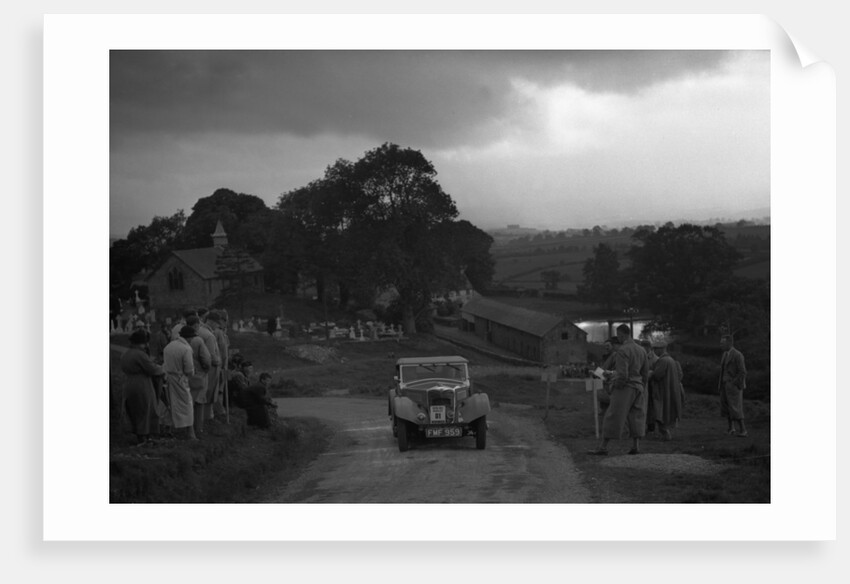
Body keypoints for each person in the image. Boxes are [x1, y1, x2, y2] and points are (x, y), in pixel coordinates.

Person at [588, 324, 648, 456]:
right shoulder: (641, 350)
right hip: (638, 387)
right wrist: (642, 386)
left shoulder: (623, 350)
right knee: (636, 416)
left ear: (621, 334)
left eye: (618, 335)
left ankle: (603, 447)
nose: (618, 338)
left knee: (613, 415)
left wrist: (614, 387)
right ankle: (636, 446)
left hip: (625, 387)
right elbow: (645, 373)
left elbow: (622, 375)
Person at [119, 329, 164, 445]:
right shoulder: (140, 354)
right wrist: (162, 369)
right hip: (141, 383)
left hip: (128, 382)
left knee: (134, 409)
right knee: (145, 408)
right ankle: (144, 436)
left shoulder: (126, 353)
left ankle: (138, 434)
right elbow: (152, 369)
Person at [162, 325, 197, 440]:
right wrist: (189, 375)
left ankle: (167, 429)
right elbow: (189, 369)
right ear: (189, 337)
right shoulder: (186, 349)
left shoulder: (169, 346)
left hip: (168, 377)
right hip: (180, 378)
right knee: (186, 404)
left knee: (169, 403)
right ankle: (190, 432)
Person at [647, 340, 683, 440]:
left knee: (660, 412)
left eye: (656, 349)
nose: (654, 351)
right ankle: (665, 433)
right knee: (665, 412)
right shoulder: (670, 359)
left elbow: (658, 375)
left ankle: (665, 434)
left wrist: (651, 373)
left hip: (662, 390)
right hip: (669, 389)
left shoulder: (663, 360)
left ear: (661, 349)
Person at [186, 315, 212, 436]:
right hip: (199, 373)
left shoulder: (179, 339)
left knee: (189, 401)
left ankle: (187, 428)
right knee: (199, 401)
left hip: (186, 374)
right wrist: (206, 369)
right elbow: (206, 359)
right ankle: (198, 428)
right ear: (196, 325)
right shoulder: (198, 340)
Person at [195, 309, 222, 426]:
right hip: (210, 368)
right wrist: (218, 361)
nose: (217, 326)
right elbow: (212, 355)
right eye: (217, 323)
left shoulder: (199, 330)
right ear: (211, 321)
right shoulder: (209, 335)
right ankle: (207, 418)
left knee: (202, 394)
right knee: (209, 393)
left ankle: (203, 419)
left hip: (199, 367)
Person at [718, 333, 748, 437]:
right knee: (726, 408)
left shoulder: (738, 355)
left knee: (736, 408)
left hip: (733, 387)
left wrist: (734, 383)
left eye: (722, 343)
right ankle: (731, 428)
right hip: (724, 385)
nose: (720, 345)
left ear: (729, 343)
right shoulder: (725, 354)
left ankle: (743, 430)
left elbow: (742, 372)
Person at [640, 338, 659, 433]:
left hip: (652, 385)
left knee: (651, 406)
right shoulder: (641, 356)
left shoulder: (655, 359)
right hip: (643, 384)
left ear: (648, 348)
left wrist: (650, 374)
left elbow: (656, 372)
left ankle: (651, 425)